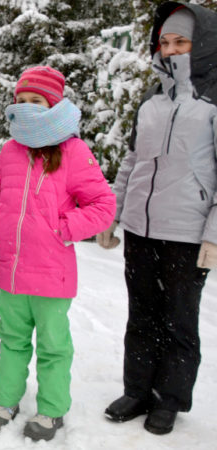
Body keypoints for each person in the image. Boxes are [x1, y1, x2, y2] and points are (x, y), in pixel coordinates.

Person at [98, 2, 217, 436]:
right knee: (141, 314)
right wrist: (113, 213)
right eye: (165, 42)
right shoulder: (151, 100)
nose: (171, 50)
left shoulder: (212, 100)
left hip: (188, 232)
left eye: (181, 41)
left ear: (202, 44)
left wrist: (214, 235)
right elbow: (132, 162)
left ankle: (170, 399)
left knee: (180, 319)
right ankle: (138, 390)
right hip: (142, 230)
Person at [0, 66, 116, 441]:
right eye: (20, 101)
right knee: (11, 340)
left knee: (54, 347)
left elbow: (103, 204)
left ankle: (51, 411)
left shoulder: (73, 151)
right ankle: (6, 401)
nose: (26, 108)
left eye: (36, 101)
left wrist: (64, 228)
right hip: (9, 273)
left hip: (52, 276)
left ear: (54, 105)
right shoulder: (10, 150)